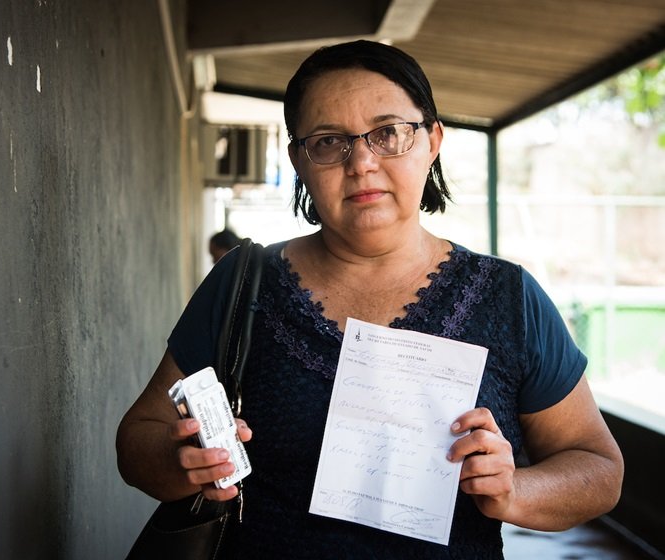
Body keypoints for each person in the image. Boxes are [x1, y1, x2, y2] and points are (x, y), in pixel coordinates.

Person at [117, 40, 623, 558]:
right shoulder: (244, 284)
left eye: (388, 134)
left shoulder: (508, 298)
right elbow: (138, 439)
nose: (360, 161)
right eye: (327, 141)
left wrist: (515, 490)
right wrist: (179, 458)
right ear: (299, 159)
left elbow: (598, 469)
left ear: (432, 140)